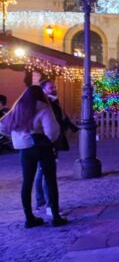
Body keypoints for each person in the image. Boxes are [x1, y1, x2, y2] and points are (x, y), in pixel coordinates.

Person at [0, 86, 67, 228]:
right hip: (42, 148)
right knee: (50, 180)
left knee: (27, 182)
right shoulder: (43, 108)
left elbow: (3, 126)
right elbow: (52, 131)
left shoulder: (18, 108)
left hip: (25, 150)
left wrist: (16, 136)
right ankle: (55, 217)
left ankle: (29, 218)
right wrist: (47, 140)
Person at [35, 80, 78, 216]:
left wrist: (73, 127)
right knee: (44, 172)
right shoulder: (46, 103)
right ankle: (46, 205)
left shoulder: (53, 100)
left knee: (41, 172)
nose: (54, 89)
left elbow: (62, 118)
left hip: (49, 140)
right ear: (43, 89)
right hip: (48, 141)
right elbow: (53, 122)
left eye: (54, 86)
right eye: (51, 87)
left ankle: (43, 202)